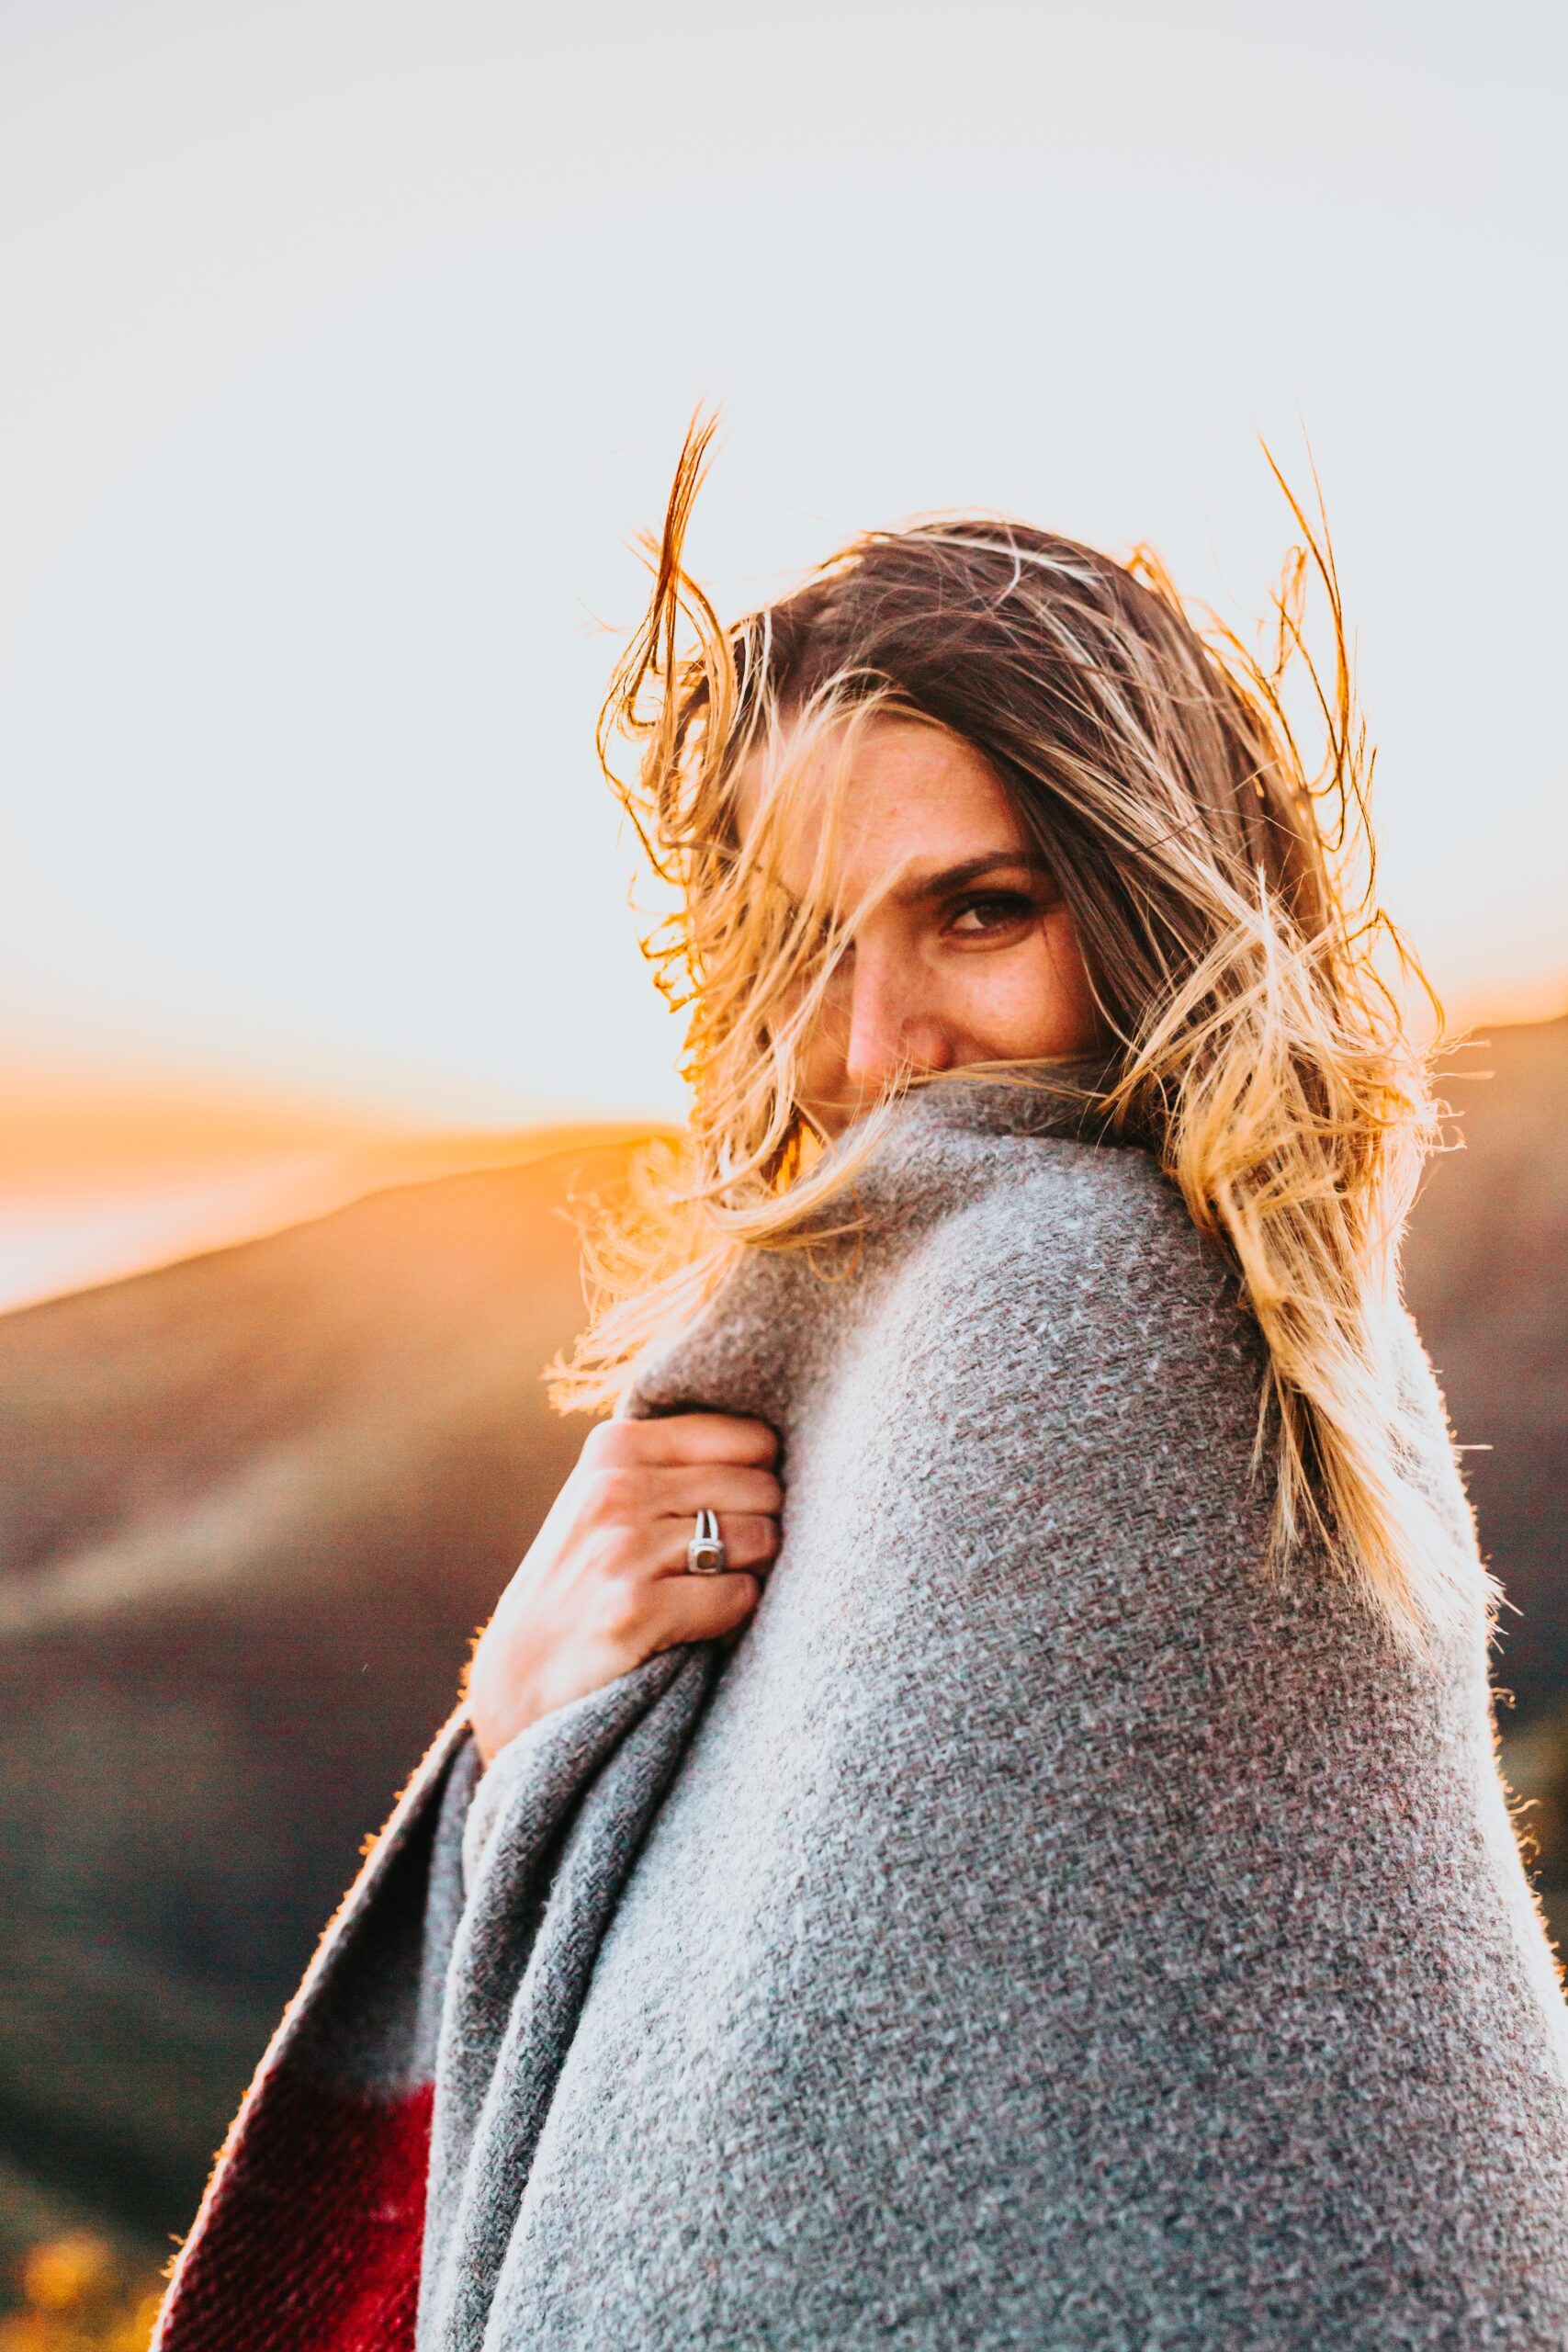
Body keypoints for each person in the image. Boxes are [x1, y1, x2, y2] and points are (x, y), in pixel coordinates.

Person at [152, 430, 1568, 2352]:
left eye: (976, 908)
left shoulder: (1082, 1296)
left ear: (1158, 896)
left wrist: (520, 1762)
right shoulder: (1228, 1338)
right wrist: (523, 1713)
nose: (874, 1047)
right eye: (802, 943)